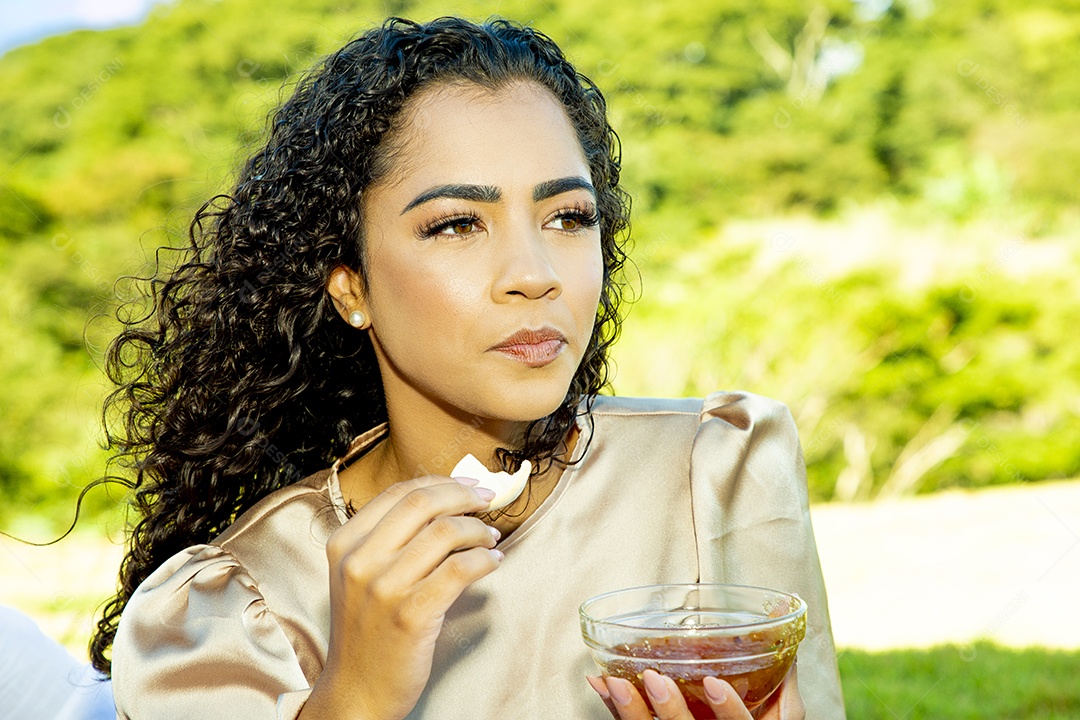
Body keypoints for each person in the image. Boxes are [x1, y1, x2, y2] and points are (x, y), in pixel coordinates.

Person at [92, 15, 845, 720]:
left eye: (568, 217)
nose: (533, 271)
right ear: (351, 286)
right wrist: (353, 692)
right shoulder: (233, 604)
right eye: (457, 224)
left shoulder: (710, 471)